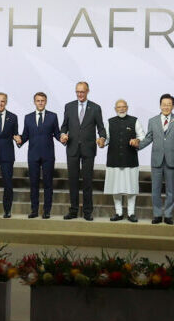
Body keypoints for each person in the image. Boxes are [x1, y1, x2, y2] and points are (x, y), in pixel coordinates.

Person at [137, 93, 174, 225]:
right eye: (164, 104)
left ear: (173, 106)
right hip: (157, 160)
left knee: (170, 190)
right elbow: (148, 138)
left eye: (169, 105)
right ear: (160, 105)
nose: (166, 107)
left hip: (171, 160)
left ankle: (168, 215)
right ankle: (157, 214)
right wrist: (137, 146)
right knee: (155, 189)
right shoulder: (153, 120)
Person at [59, 81, 106, 221]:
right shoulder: (69, 106)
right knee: (72, 181)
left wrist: (102, 138)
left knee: (87, 182)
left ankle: (87, 212)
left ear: (87, 91)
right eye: (77, 91)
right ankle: (73, 211)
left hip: (88, 150)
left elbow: (101, 128)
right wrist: (62, 135)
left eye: (82, 91)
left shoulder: (96, 108)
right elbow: (64, 126)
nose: (80, 94)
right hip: (72, 148)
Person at [15, 92, 61, 219]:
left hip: (48, 155)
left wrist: (63, 138)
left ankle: (47, 211)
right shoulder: (28, 117)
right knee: (33, 183)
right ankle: (34, 210)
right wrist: (19, 140)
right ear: (34, 102)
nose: (40, 103)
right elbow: (25, 135)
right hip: (33, 155)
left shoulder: (53, 116)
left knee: (48, 184)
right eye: (38, 100)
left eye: (42, 100)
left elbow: (57, 133)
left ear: (46, 102)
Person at [103, 99, 144, 223]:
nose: (121, 109)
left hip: (130, 160)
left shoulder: (134, 120)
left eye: (123, 106)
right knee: (116, 188)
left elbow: (142, 136)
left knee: (131, 188)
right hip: (114, 160)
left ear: (127, 108)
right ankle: (119, 212)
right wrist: (101, 142)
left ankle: (131, 213)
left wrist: (137, 141)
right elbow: (106, 138)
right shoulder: (110, 122)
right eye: (119, 107)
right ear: (115, 109)